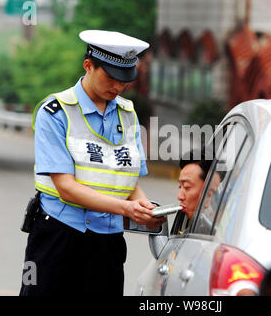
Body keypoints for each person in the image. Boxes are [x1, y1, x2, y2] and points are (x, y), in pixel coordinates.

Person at [20, 30, 165, 296]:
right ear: (88, 66)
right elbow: (66, 188)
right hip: (58, 235)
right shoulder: (55, 112)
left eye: (126, 80)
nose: (119, 87)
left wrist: (145, 209)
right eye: (111, 77)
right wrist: (127, 208)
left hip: (108, 241)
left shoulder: (128, 113)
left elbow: (128, 179)